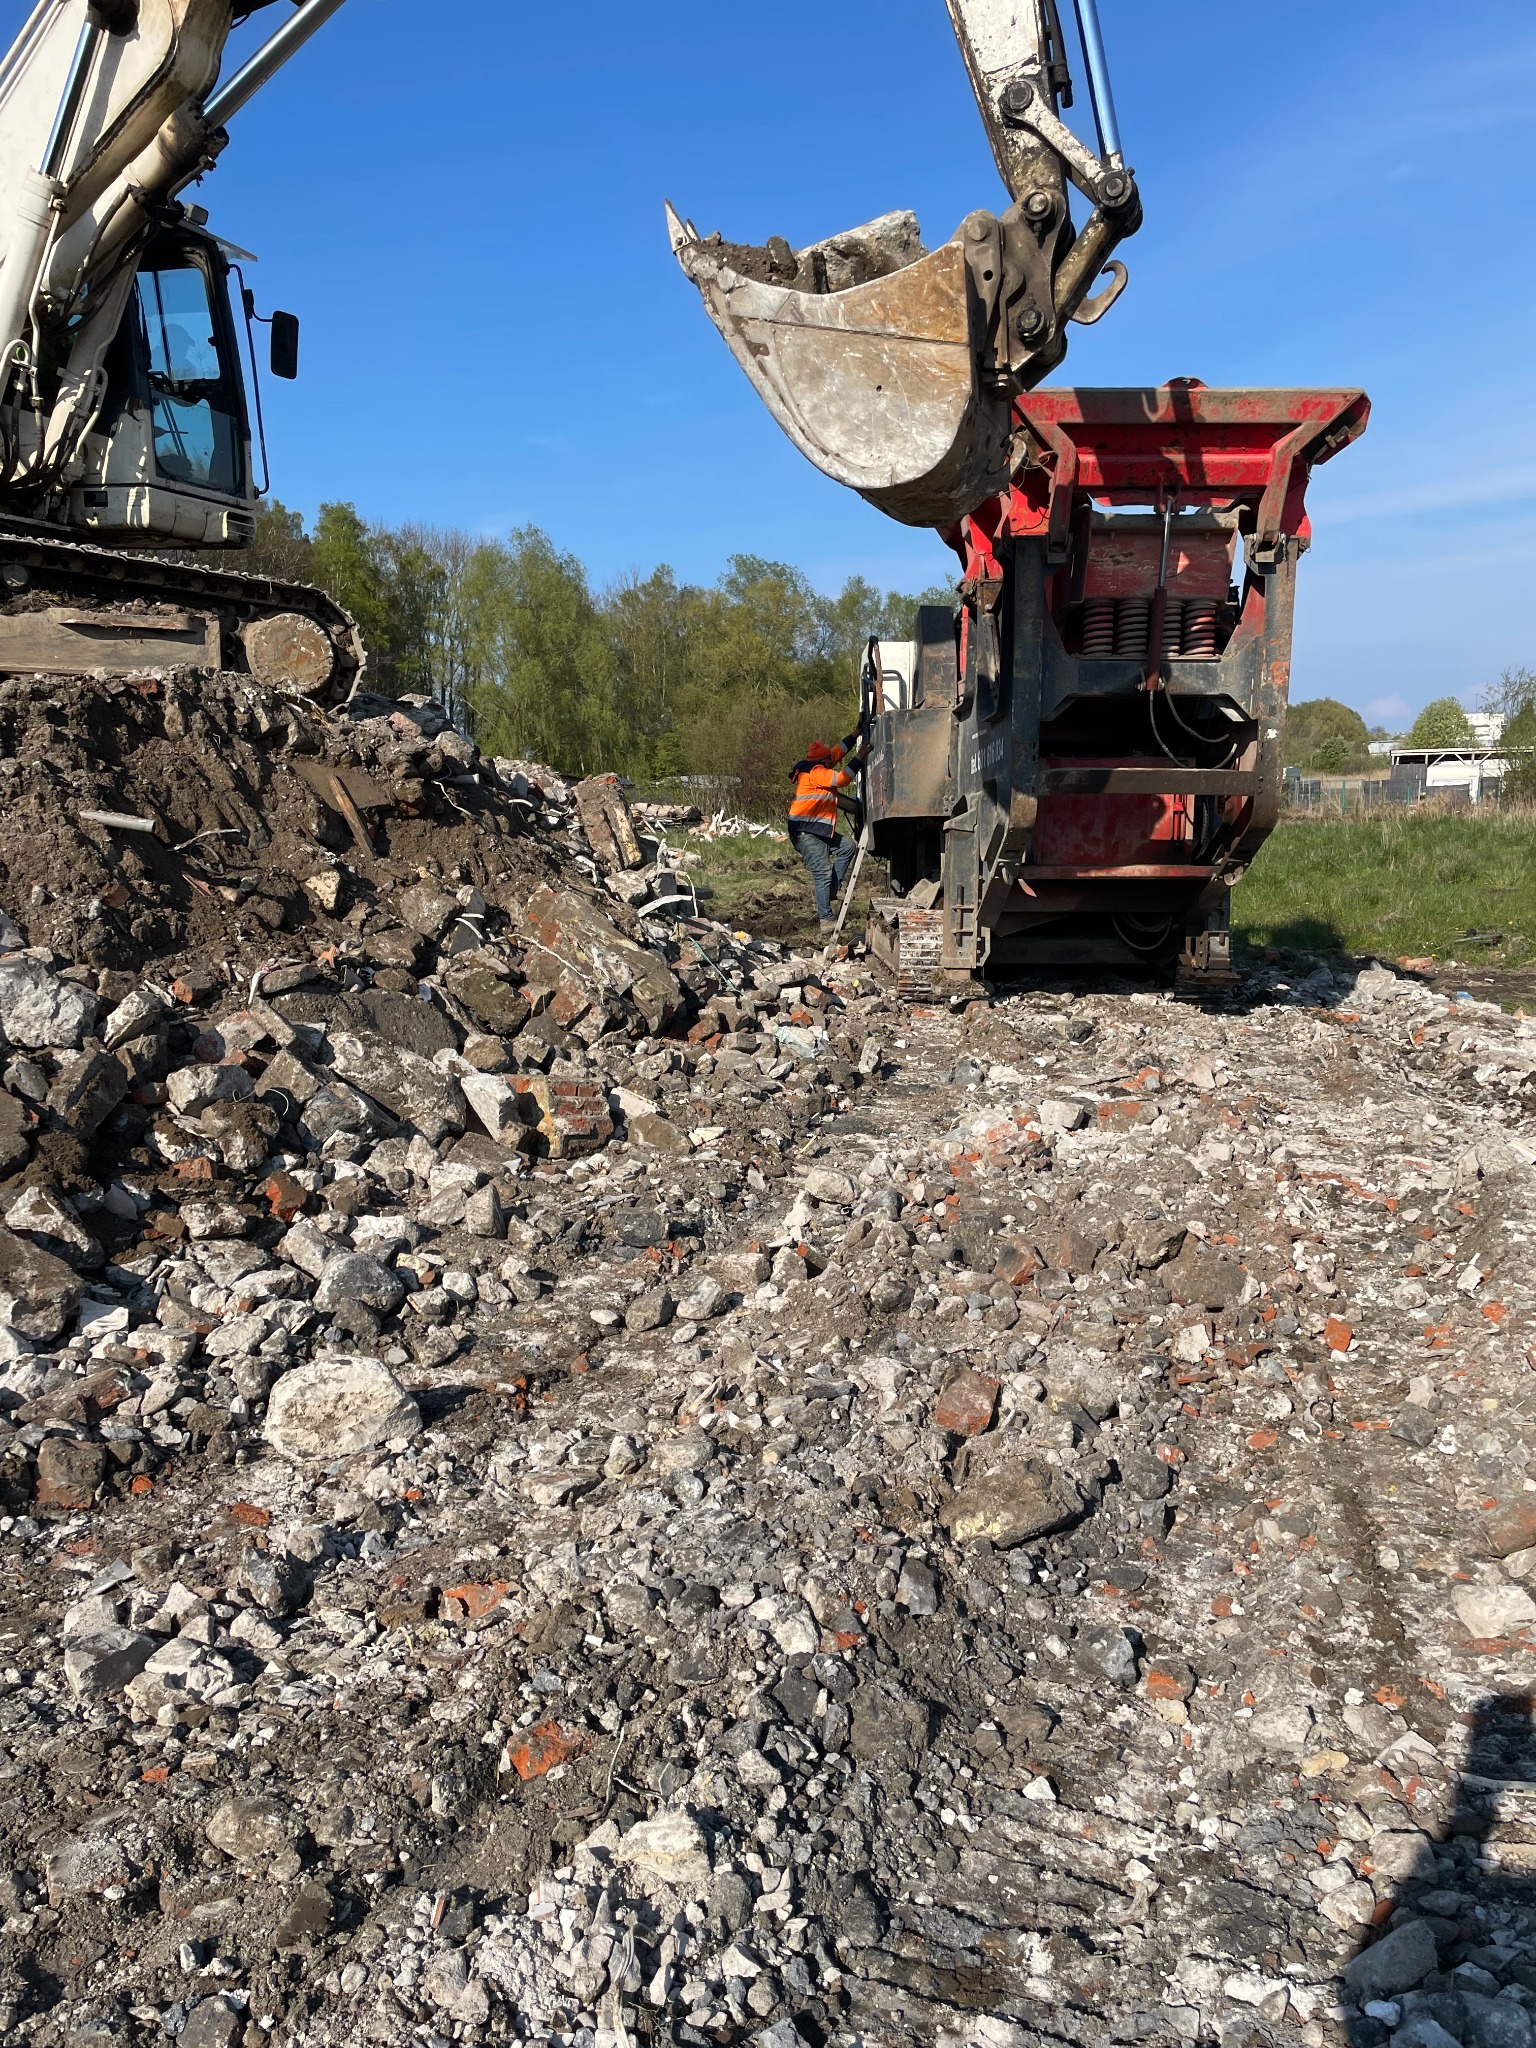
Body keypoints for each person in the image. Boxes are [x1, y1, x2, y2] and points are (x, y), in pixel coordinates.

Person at [787, 732, 865, 930]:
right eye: (829, 759)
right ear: (822, 761)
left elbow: (836, 752)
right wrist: (860, 756)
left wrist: (855, 735)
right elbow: (842, 779)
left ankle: (833, 889)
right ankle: (826, 919)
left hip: (815, 830)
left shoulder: (816, 765)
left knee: (847, 847)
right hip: (805, 832)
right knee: (822, 873)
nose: (834, 759)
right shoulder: (816, 772)